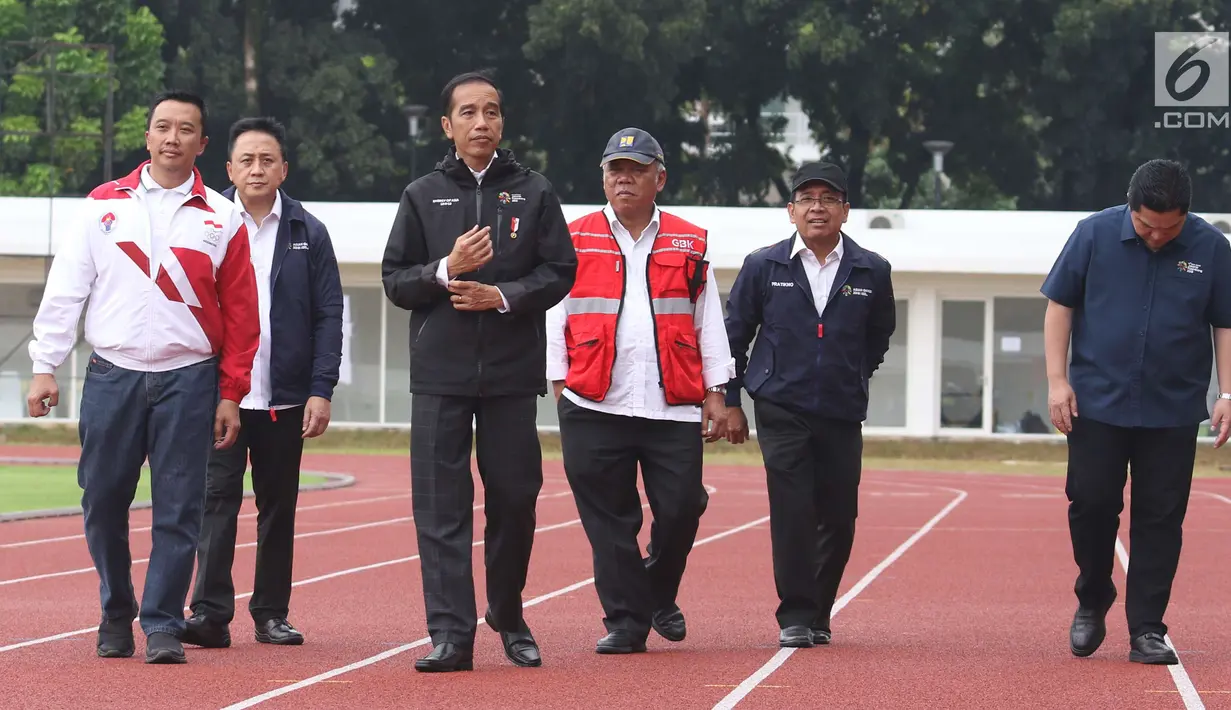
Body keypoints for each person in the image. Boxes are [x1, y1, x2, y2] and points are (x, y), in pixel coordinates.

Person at [25, 90, 260, 664]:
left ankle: (160, 623)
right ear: (147, 136)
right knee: (103, 498)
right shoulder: (104, 206)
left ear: (203, 143)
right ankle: (115, 609)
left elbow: (243, 314)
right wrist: (43, 366)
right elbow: (66, 290)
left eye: (186, 129)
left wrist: (231, 392)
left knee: (179, 507)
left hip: (190, 378)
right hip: (112, 375)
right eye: (163, 127)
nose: (172, 137)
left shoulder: (222, 217)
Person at [381, 70, 577, 672]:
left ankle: (508, 612)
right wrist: (445, 268)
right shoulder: (421, 194)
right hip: (439, 374)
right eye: (467, 113)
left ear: (502, 121)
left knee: (516, 499)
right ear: (447, 125)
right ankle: (450, 633)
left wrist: (504, 295)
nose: (481, 122)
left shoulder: (535, 190)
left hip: (513, 374)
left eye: (491, 111)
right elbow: (395, 279)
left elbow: (560, 270)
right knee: (440, 508)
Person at [546, 127, 733, 654]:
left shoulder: (689, 240)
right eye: (614, 169)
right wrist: (559, 385)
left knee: (680, 507)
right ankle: (626, 622)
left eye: (636, 168)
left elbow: (707, 319)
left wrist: (716, 391)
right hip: (591, 400)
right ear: (603, 177)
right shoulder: (572, 235)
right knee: (609, 520)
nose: (623, 177)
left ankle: (655, 592)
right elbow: (553, 313)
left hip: (670, 403)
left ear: (660, 178)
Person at [1041, 159, 1231, 665]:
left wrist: (1228, 394)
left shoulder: (1212, 248)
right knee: (1091, 504)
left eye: (1167, 229)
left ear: (1185, 217)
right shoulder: (1093, 234)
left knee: (1161, 519)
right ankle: (1093, 596)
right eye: (1146, 225)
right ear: (1132, 208)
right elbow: (1059, 305)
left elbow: (1226, 324)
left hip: (1172, 408)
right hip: (1096, 403)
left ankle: (1147, 628)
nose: (1154, 236)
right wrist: (1057, 381)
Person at [182, 117, 343, 650]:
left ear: (283, 169)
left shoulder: (307, 232)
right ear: (228, 169)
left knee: (279, 507)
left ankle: (271, 613)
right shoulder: (207, 223)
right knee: (215, 501)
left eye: (266, 160)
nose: (256, 169)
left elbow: (328, 314)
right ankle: (208, 613)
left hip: (286, 397)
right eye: (246, 160)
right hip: (221, 395)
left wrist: (322, 388)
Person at [723, 162, 895, 648]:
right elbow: (734, 337)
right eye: (807, 199)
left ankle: (819, 610)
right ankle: (795, 614)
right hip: (780, 405)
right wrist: (732, 399)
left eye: (828, 198)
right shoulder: (764, 266)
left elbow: (878, 336)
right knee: (793, 508)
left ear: (845, 209)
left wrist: (853, 373)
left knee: (839, 516)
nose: (816, 207)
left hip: (841, 409)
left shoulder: (871, 269)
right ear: (791, 210)